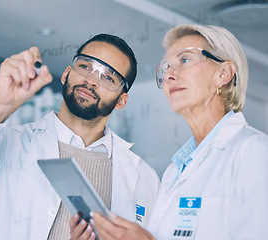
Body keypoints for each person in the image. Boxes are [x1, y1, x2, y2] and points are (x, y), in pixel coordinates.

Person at [0, 33, 160, 239]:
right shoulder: (9, 145)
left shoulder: (143, 178)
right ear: (66, 74)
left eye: (108, 77)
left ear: (122, 100)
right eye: (85, 66)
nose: (91, 80)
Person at [71, 24, 268, 240]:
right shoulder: (174, 172)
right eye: (165, 68)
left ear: (224, 73)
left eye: (184, 60)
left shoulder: (253, 151)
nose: (169, 76)